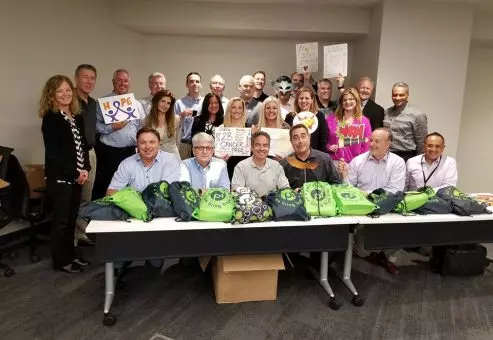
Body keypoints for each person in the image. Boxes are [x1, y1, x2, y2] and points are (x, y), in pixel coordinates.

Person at [39, 75, 91, 273]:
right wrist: (74, 173)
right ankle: (61, 261)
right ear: (51, 94)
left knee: (71, 220)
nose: (65, 94)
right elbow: (54, 154)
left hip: (77, 177)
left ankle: (71, 255)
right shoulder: (51, 118)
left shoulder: (76, 116)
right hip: (61, 178)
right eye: (60, 91)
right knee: (61, 222)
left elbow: (83, 146)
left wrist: (85, 168)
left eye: (68, 90)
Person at [339, 128, 406, 276]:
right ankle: (371, 251)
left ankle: (389, 258)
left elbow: (396, 190)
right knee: (363, 251)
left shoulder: (398, 162)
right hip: (364, 211)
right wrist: (344, 176)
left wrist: (366, 194)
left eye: (377, 141)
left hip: (388, 208)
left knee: (404, 231)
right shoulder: (358, 161)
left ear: (388, 144)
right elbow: (348, 190)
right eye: (371, 140)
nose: (372, 144)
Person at [92, 69, 146, 200]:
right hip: (110, 152)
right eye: (119, 80)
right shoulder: (103, 103)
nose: (123, 83)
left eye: (126, 81)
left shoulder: (136, 104)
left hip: (130, 152)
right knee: (108, 184)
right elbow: (95, 126)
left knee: (129, 183)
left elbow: (142, 126)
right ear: (113, 82)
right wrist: (111, 127)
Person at [107, 127, 182, 195]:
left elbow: (168, 191)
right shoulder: (127, 163)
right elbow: (111, 191)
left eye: (152, 142)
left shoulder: (170, 160)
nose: (147, 146)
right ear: (137, 145)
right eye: (143, 143)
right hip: (134, 207)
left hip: (162, 206)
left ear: (159, 144)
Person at [74, 64, 97, 247]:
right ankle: (70, 238)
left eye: (92, 78)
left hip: (90, 152)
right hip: (74, 154)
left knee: (86, 196)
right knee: (73, 196)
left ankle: (80, 233)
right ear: (76, 78)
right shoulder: (70, 100)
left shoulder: (94, 103)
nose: (89, 81)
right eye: (85, 77)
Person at [280, 124, 342, 190]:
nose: (300, 141)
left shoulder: (324, 159)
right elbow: (281, 191)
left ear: (309, 137)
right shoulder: (285, 164)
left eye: (303, 136)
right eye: (295, 138)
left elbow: (336, 184)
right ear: (291, 141)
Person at [232, 131, 290, 197]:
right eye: (258, 145)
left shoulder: (276, 166)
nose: (261, 148)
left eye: (265, 145)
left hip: (272, 205)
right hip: (249, 205)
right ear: (252, 147)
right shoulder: (241, 166)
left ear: (269, 148)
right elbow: (236, 192)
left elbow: (285, 189)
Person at [384, 82, 428, 161]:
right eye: (395, 95)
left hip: (407, 156)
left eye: (401, 95)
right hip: (388, 155)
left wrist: (418, 162)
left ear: (407, 95)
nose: (398, 98)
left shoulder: (417, 115)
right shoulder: (387, 112)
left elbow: (422, 143)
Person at [326, 88, 372, 163]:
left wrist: (358, 163)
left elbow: (367, 145)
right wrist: (328, 147)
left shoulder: (364, 121)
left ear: (356, 101)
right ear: (341, 102)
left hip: (355, 164)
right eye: (344, 100)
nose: (347, 102)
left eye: (351, 99)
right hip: (333, 162)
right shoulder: (331, 118)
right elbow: (324, 140)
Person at [285, 87, 328, 153]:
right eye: (301, 98)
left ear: (312, 100)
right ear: (297, 100)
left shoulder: (319, 116)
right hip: (294, 157)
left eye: (307, 98)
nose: (304, 101)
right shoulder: (290, 117)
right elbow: (286, 139)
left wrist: (320, 158)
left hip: (315, 157)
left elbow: (323, 140)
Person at [218, 97, 250, 180]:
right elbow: (216, 152)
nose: (236, 110)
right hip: (227, 166)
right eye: (233, 107)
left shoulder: (250, 128)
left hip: (246, 168)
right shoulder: (221, 128)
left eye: (240, 108)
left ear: (243, 110)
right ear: (229, 109)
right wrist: (220, 157)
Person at [143, 90, 180, 158]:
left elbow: (178, 141)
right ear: (156, 101)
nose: (165, 105)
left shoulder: (176, 120)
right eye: (163, 101)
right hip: (153, 157)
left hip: (172, 156)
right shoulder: (146, 121)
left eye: (168, 103)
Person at [175, 72, 203, 160]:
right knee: (183, 171)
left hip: (201, 145)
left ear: (201, 84)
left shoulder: (206, 102)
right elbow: (172, 125)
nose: (195, 83)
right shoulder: (179, 103)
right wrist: (181, 115)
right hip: (184, 145)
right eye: (191, 81)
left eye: (197, 81)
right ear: (187, 84)